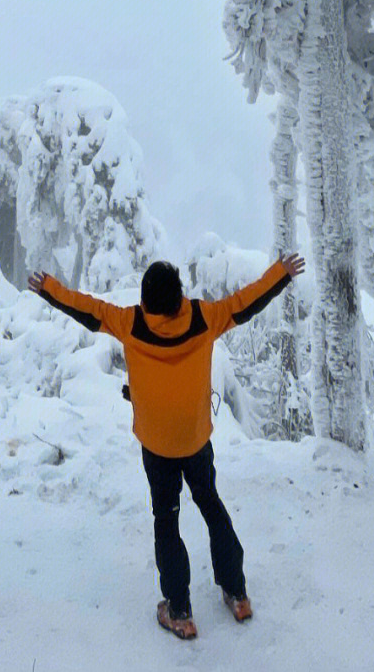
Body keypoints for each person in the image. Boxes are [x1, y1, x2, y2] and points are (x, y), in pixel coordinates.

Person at [28, 250, 305, 641]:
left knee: (167, 518)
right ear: (179, 299)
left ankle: (180, 611)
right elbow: (246, 303)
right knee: (211, 504)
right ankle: (237, 593)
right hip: (195, 439)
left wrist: (49, 289)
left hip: (157, 445)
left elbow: (87, 309)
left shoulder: (130, 323)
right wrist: (281, 273)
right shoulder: (204, 318)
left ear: (145, 301)